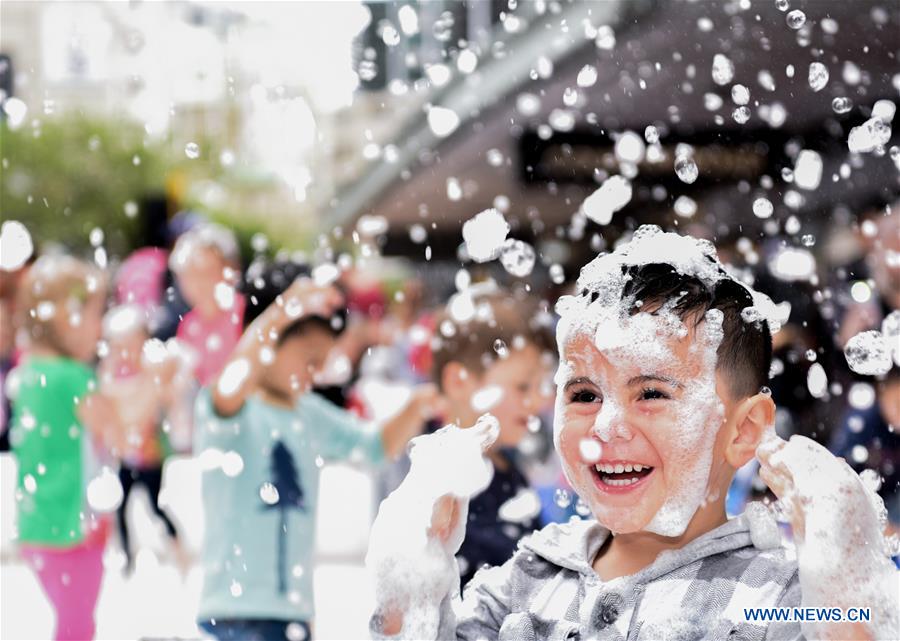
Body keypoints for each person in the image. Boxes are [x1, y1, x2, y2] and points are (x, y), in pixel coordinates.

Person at [367, 226, 898, 641]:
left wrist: (845, 569)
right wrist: (410, 584)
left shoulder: (775, 595)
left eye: (651, 394)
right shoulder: (521, 584)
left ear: (744, 430)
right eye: (582, 395)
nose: (606, 427)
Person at [195, 258, 443, 641]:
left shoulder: (307, 414)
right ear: (266, 339)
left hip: (292, 614)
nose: (316, 374)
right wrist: (284, 310)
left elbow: (374, 448)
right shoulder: (232, 409)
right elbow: (232, 379)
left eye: (322, 363)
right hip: (230, 613)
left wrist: (418, 404)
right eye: (310, 360)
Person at [9, 254, 121, 641]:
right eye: (94, 314)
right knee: (78, 628)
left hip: (37, 523)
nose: (101, 326)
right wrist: (156, 383)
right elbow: (117, 426)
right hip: (74, 526)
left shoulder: (29, 372)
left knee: (69, 622)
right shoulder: (74, 378)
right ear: (64, 318)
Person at [427, 286, 555, 586]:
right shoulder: (441, 475)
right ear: (459, 381)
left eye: (541, 387)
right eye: (523, 387)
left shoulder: (504, 467)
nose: (538, 402)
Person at [97, 304, 193, 572]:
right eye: (118, 345)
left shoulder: (152, 372)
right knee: (122, 506)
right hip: (127, 454)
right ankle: (127, 559)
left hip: (149, 455)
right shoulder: (114, 374)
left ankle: (176, 547)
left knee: (155, 505)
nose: (124, 351)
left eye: (129, 343)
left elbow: (167, 392)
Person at [169, 222, 244, 387]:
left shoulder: (244, 312)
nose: (198, 283)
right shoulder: (188, 325)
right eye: (189, 274)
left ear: (229, 271)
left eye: (206, 272)